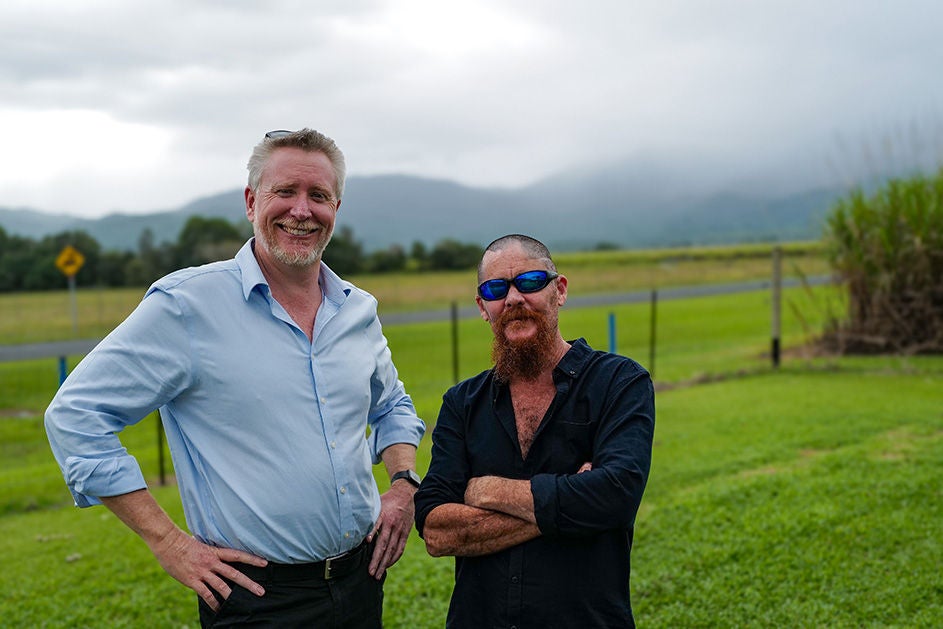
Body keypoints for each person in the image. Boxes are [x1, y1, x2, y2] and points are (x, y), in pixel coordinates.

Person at [45, 128, 426, 628]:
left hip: (360, 582)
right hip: (255, 600)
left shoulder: (357, 310)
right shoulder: (186, 307)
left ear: (336, 208)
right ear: (252, 201)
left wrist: (402, 484)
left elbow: (392, 404)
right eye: (284, 192)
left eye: (318, 196)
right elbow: (75, 416)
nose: (301, 210)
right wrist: (169, 543)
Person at [414, 234, 655, 628]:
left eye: (528, 282)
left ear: (559, 290)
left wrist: (487, 491)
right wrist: (570, 502)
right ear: (482, 307)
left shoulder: (619, 383)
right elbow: (437, 531)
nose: (512, 299)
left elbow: (616, 495)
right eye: (496, 289)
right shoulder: (462, 403)